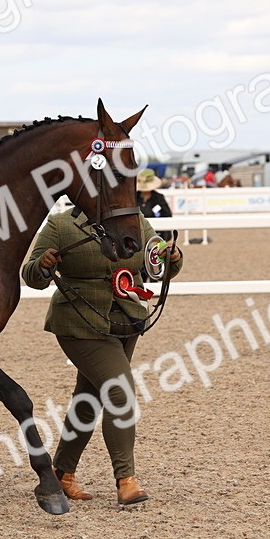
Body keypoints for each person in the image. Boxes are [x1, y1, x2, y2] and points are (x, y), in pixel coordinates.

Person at [21, 209, 183, 505]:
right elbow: (30, 275)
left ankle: (62, 474)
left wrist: (172, 258)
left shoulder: (134, 220)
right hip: (78, 323)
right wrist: (43, 266)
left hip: (125, 320)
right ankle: (126, 480)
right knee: (120, 393)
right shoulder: (60, 225)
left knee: (89, 400)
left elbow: (154, 262)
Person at [135, 169, 173, 241]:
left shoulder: (159, 198)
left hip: (157, 234)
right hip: (137, 235)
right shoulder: (134, 198)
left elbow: (167, 214)